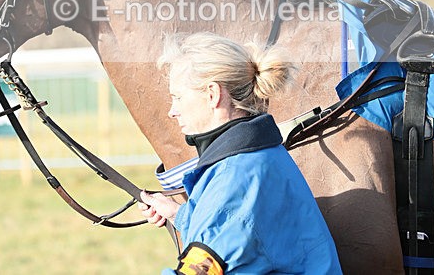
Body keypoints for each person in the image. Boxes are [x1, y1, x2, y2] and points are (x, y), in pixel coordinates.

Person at [139, 32, 342, 274]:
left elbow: (229, 218)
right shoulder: (258, 155)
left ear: (213, 94)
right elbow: (241, 233)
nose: (172, 111)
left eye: (178, 97)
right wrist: (181, 216)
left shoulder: (233, 179)